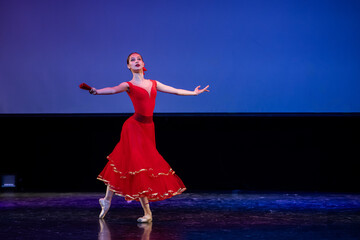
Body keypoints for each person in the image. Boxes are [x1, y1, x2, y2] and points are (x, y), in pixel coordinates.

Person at [90, 52, 209, 223]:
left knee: (126, 162)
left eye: (138, 59)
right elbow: (113, 89)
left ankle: (107, 200)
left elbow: (174, 91)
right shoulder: (128, 84)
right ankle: (147, 213)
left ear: (143, 63)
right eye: (132, 60)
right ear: (128, 66)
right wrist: (97, 91)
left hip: (148, 128)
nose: (136, 61)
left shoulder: (153, 83)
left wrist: (194, 93)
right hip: (133, 127)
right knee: (139, 166)